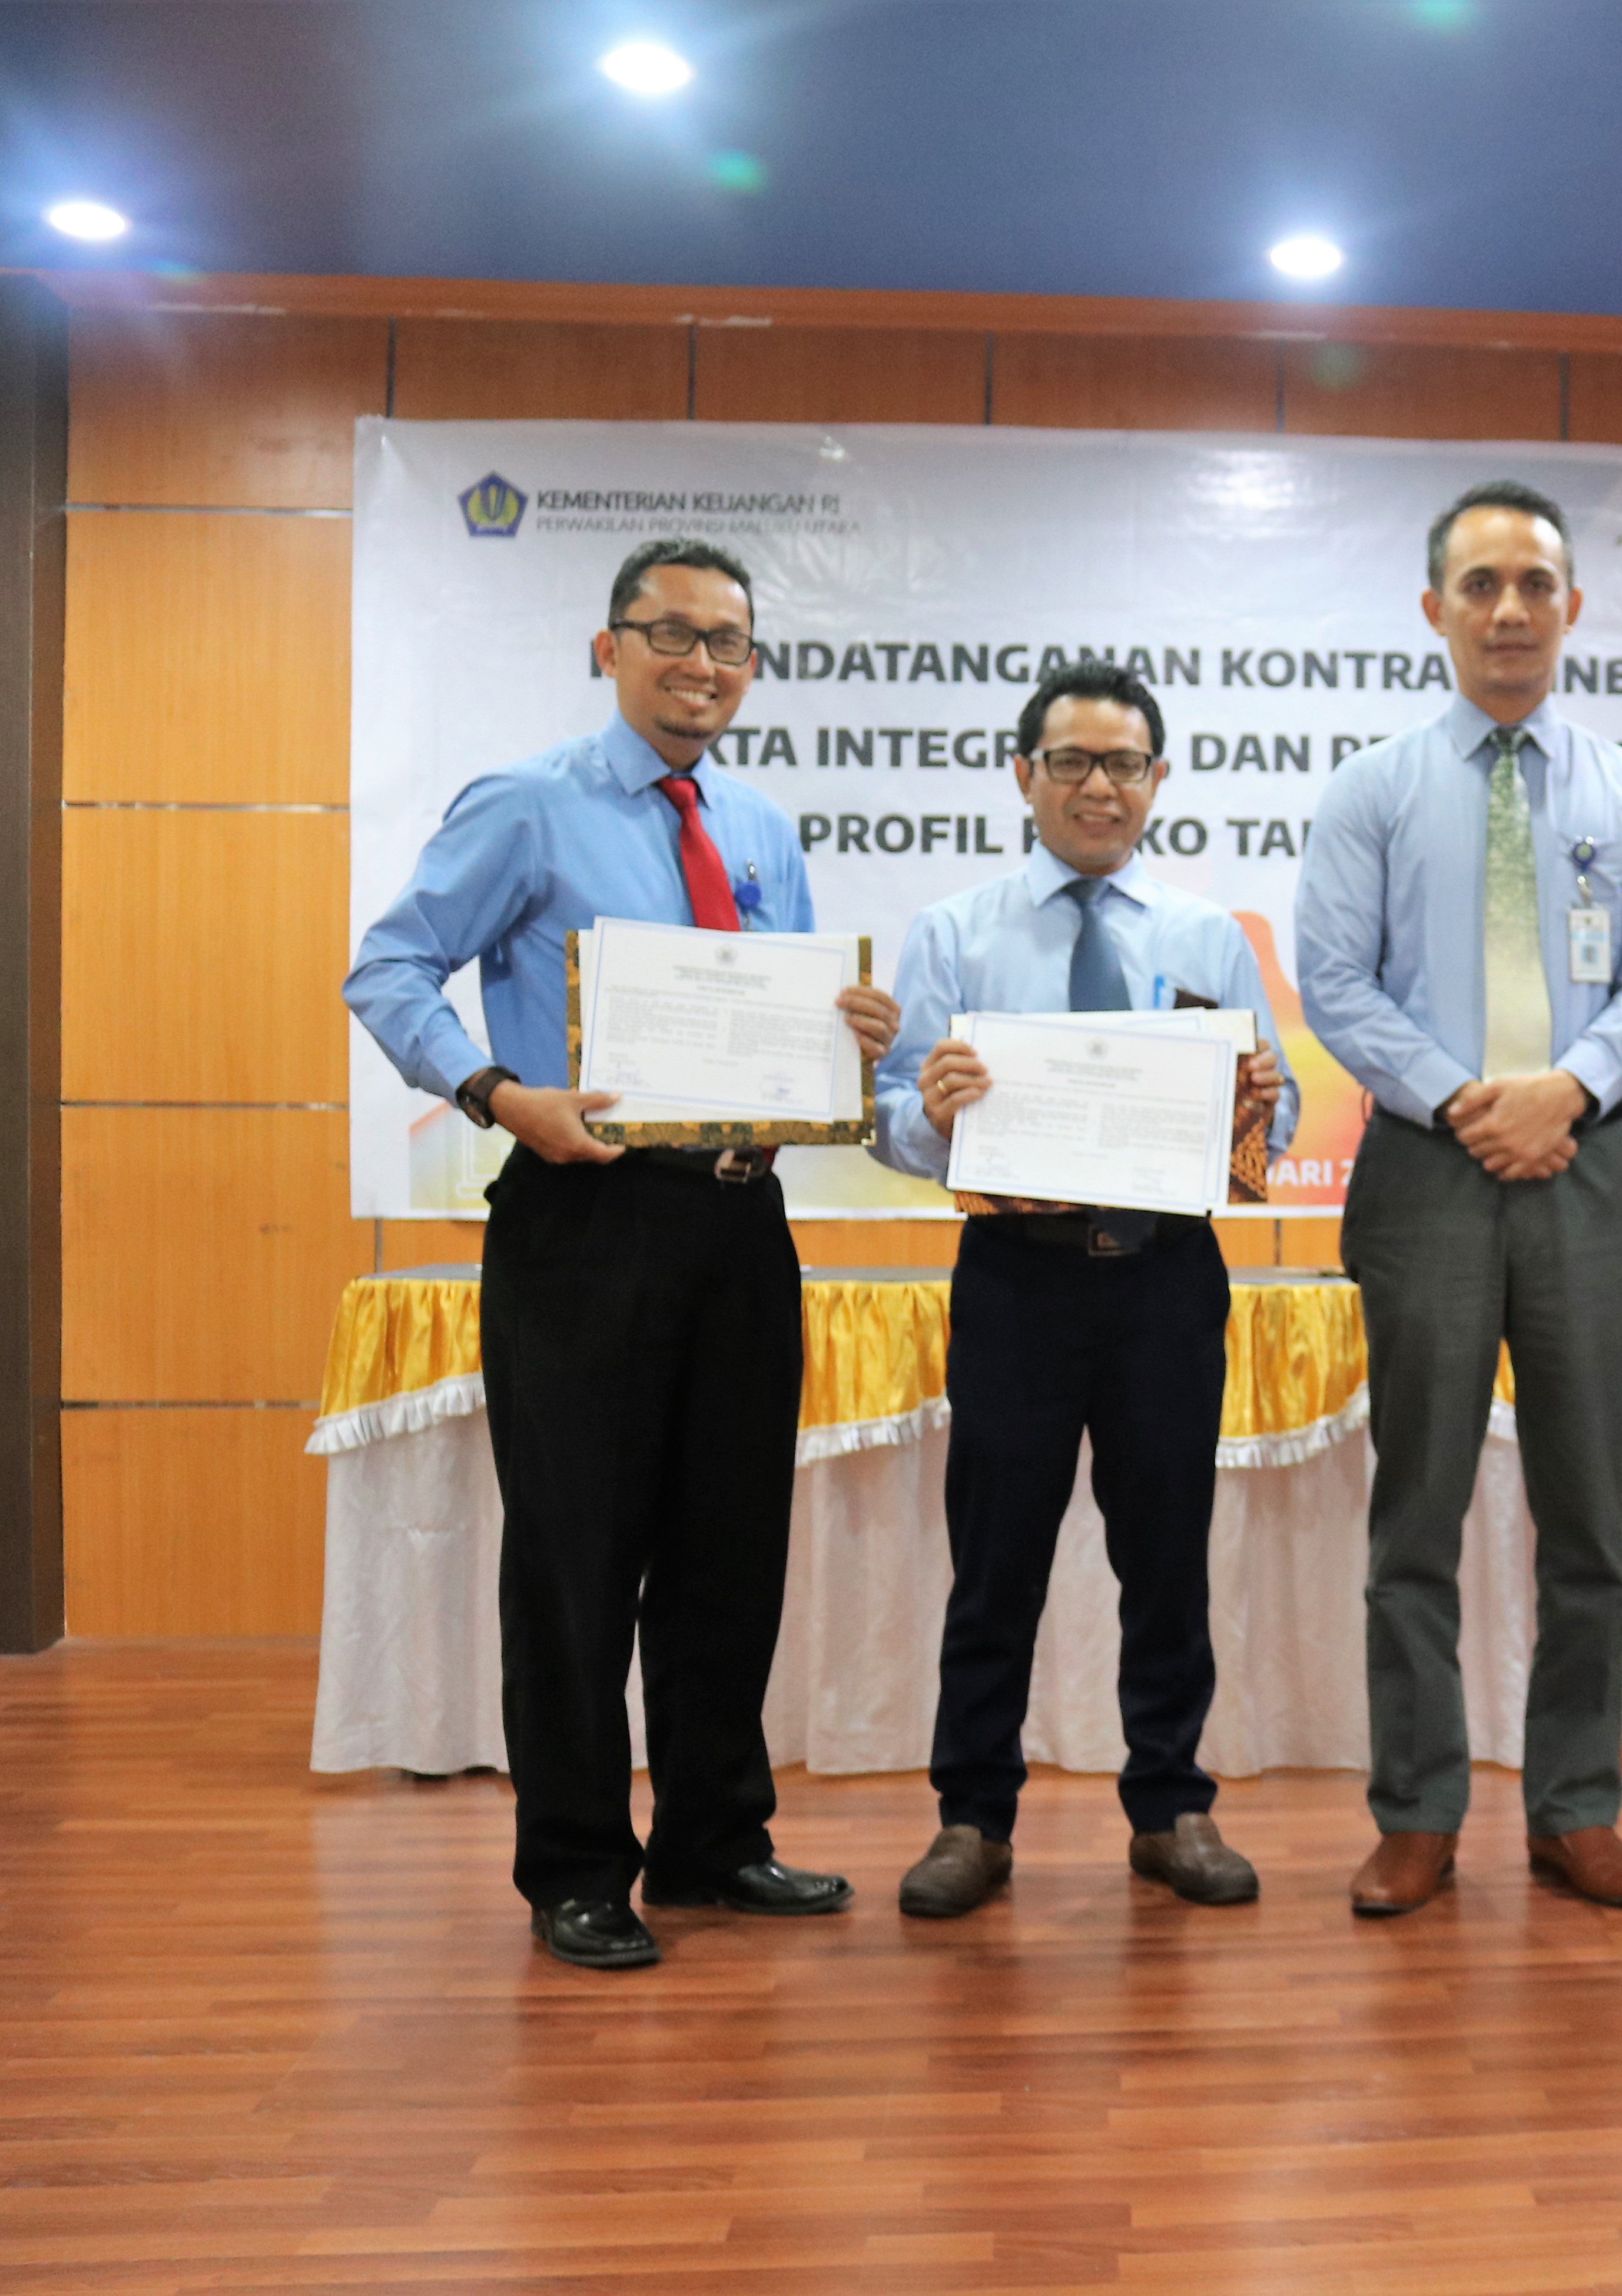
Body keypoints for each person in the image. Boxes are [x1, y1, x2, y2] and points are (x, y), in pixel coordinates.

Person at [345, 538, 901, 1969]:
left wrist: (848, 1040)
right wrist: (495, 1095)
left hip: (739, 1220)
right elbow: (388, 969)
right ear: (609, 649)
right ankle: (578, 1867)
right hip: (582, 1213)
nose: (701, 664)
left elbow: (784, 1025)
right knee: (576, 1558)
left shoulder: (760, 827)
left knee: (729, 1550)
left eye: (729, 643)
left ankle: (714, 1843)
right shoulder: (528, 804)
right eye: (672, 634)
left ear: (753, 667)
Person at [1293, 478, 1622, 1918]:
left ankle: (1575, 1809)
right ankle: (1416, 1812)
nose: (1509, 610)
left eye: (1534, 584)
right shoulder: (1373, 788)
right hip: (1426, 1170)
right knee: (1415, 1516)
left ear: (1572, 607)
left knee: (1586, 1515)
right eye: (1480, 585)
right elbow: (1332, 982)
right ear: (1434, 610)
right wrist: (1470, 1100)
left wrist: (1565, 1091)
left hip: (1583, 1167)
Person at [868, 660, 1298, 1918]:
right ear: (1024, 776)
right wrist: (933, 1113)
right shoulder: (955, 931)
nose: (1097, 786)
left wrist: (1256, 1111)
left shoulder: (1207, 937)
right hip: (1018, 1281)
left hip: (1166, 1277)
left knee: (1166, 1556)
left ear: (1157, 781)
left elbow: (1264, 1133)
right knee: (994, 1560)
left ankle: (1171, 1807)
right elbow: (889, 1116)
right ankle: (973, 1818)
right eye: (1070, 762)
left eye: (1122, 764)